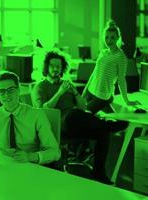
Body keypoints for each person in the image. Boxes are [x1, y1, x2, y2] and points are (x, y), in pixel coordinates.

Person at [31, 51, 128, 184]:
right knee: (72, 115)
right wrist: (60, 93)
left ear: (62, 68)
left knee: (102, 132)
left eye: (58, 66)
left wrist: (75, 92)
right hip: (56, 128)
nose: (55, 69)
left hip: (75, 123)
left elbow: (84, 107)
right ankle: (108, 124)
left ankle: (99, 173)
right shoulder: (40, 87)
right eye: (52, 65)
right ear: (46, 67)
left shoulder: (66, 84)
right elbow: (43, 110)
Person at [82, 20, 138, 114]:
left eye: (112, 37)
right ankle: (109, 100)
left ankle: (109, 100)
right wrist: (85, 90)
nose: (109, 40)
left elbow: (121, 80)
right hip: (90, 90)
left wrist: (126, 100)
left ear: (117, 38)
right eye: (106, 37)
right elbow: (94, 72)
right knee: (78, 110)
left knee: (83, 115)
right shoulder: (103, 52)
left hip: (101, 96)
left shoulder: (121, 57)